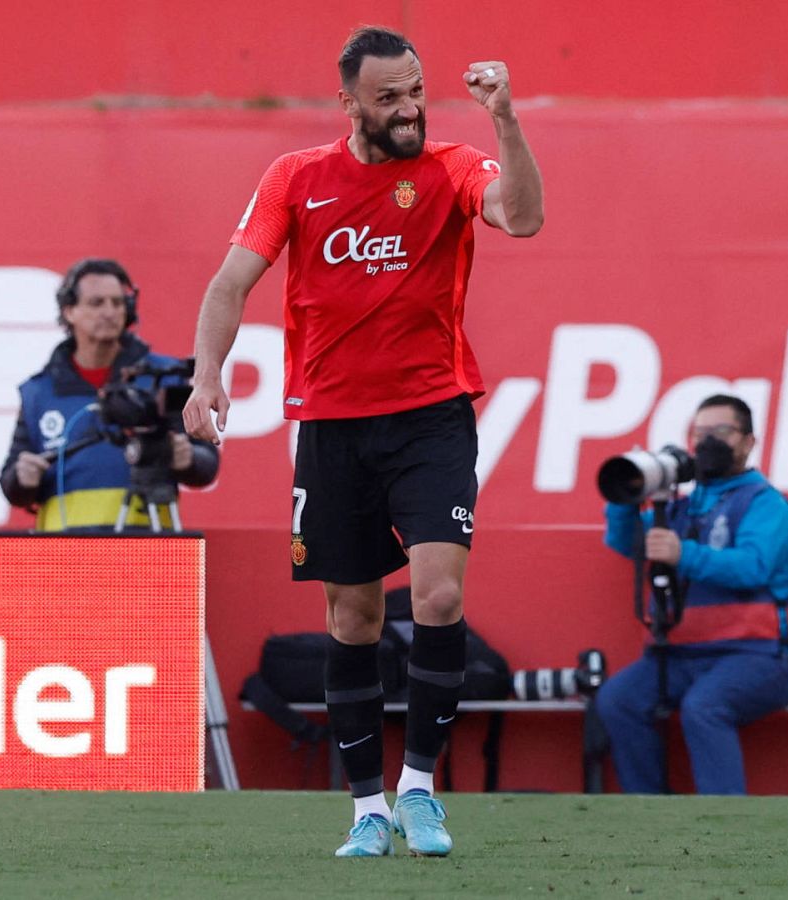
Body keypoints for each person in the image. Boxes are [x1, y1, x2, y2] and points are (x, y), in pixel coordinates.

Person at [182, 26, 544, 857]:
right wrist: (207, 378)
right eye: (388, 98)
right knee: (352, 615)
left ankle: (420, 791)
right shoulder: (296, 177)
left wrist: (507, 120)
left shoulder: (453, 166)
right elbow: (231, 281)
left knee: (440, 596)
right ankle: (366, 810)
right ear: (347, 102)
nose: (409, 109)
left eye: (415, 92)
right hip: (333, 426)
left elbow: (523, 218)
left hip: (432, 414)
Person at [593, 394, 788, 795]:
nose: (708, 441)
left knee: (705, 707)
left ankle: (724, 823)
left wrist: (683, 554)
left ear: (749, 442)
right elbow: (626, 543)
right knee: (617, 700)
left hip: (761, 656)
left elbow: (754, 567)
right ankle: (649, 816)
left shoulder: (766, 504)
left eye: (722, 431)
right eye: (700, 432)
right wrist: (629, 493)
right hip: (680, 654)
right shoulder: (679, 508)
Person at [0, 258, 218, 530]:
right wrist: (22, 479)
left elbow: (207, 465)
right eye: (96, 303)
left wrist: (188, 460)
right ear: (69, 311)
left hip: (149, 551)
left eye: (117, 303)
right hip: (63, 558)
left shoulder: (163, 378)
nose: (109, 312)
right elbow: (10, 482)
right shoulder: (38, 392)